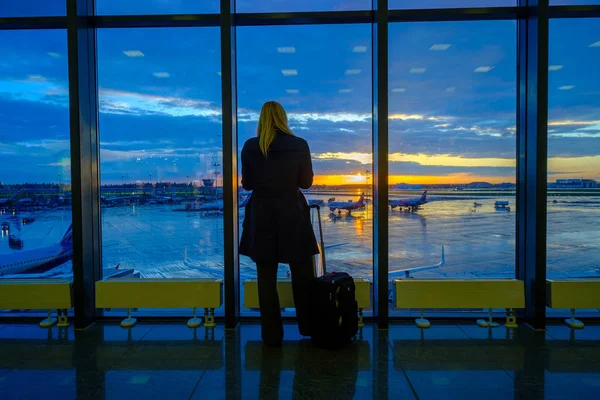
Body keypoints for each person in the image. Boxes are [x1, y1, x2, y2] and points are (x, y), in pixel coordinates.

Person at [239, 101, 319, 346]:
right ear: (283, 118)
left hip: (262, 216)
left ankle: (271, 335)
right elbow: (305, 183)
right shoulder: (299, 145)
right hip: (292, 215)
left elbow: (248, 185)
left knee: (266, 277)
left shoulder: (251, 146)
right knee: (303, 274)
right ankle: (308, 327)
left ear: (261, 120)